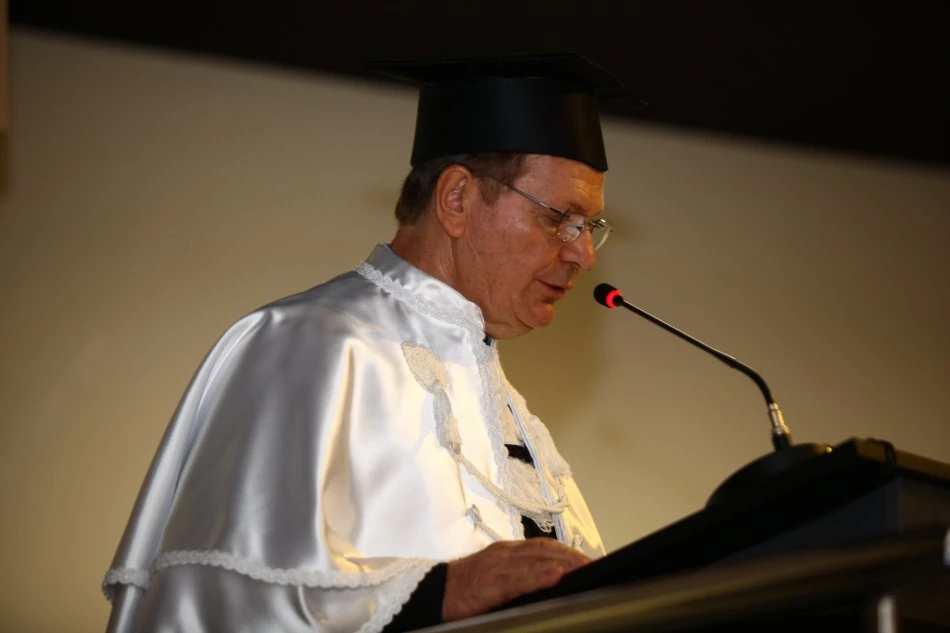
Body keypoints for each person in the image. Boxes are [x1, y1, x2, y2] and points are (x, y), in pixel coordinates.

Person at [102, 52, 627, 633]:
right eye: (561, 218)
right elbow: (217, 596)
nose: (584, 254)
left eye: (591, 227)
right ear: (456, 199)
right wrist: (442, 592)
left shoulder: (503, 405)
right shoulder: (310, 344)